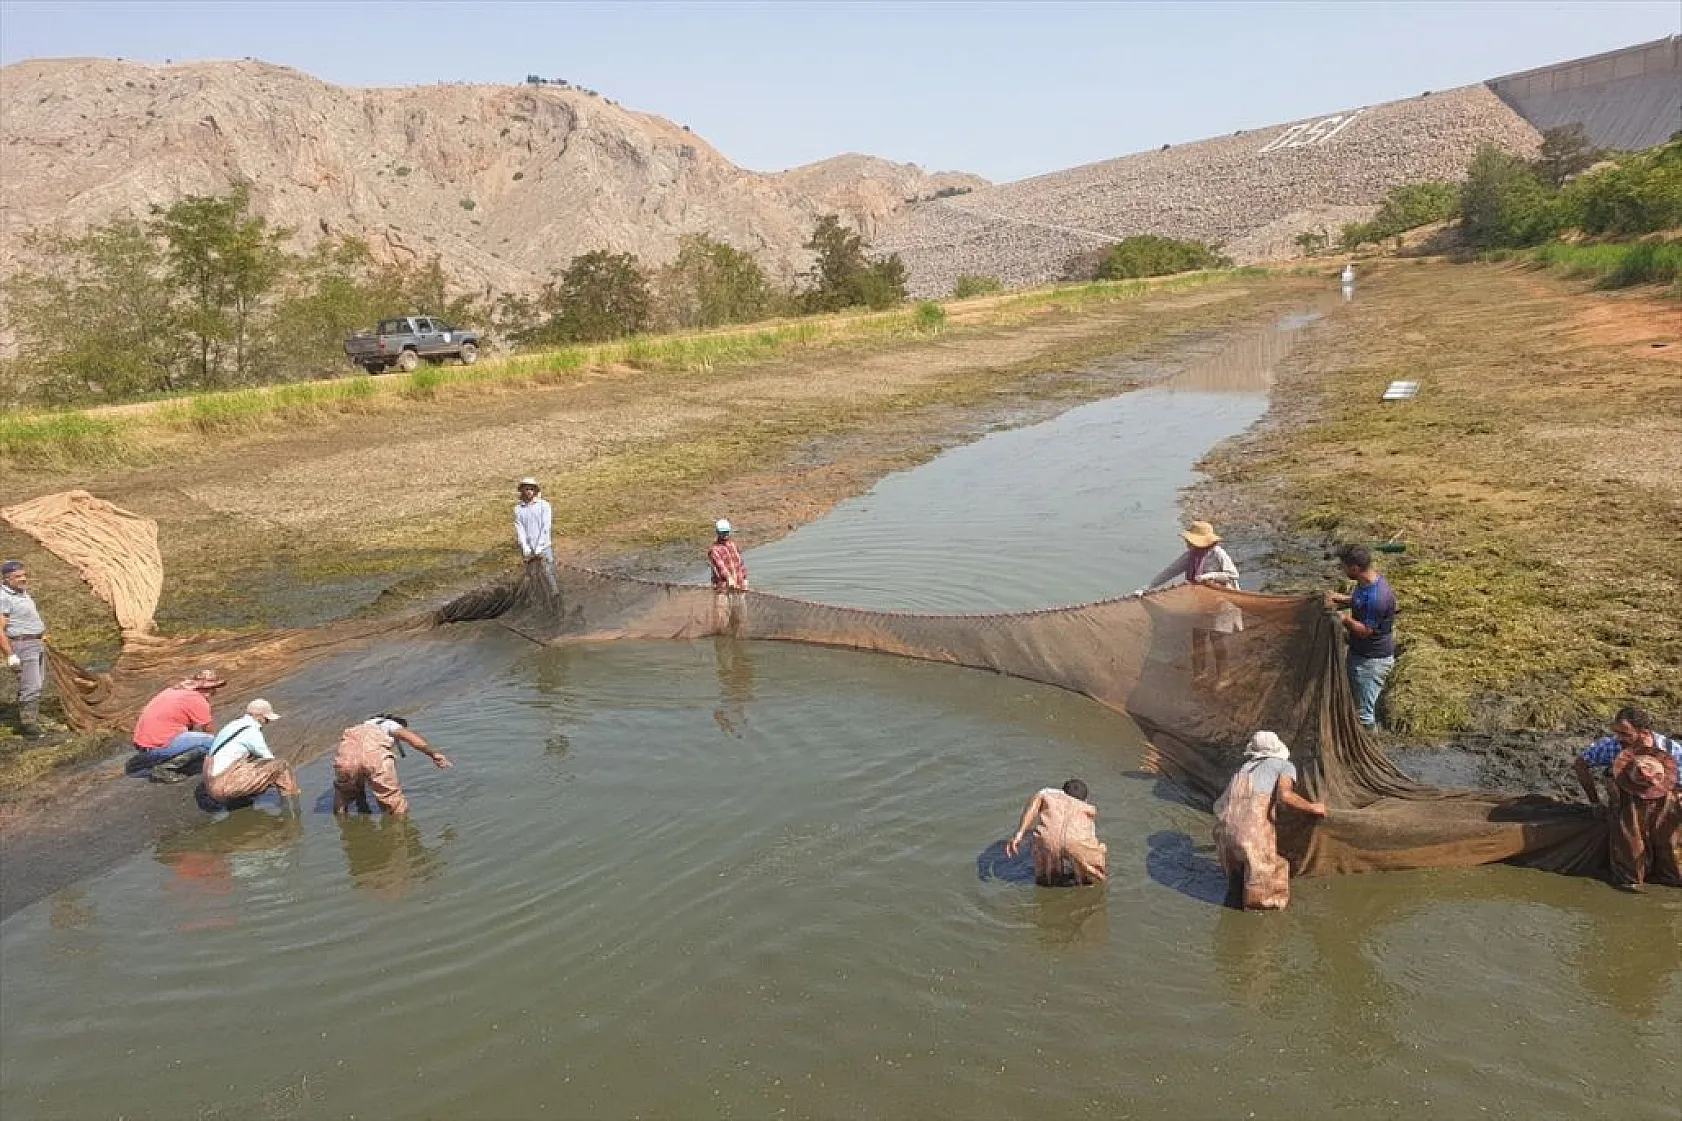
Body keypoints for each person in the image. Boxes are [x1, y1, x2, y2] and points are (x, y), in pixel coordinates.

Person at [1213, 731, 1328, 910]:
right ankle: (1259, 928)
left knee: (1236, 887)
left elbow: (1219, 806)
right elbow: (1285, 795)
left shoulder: (1243, 768)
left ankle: (1230, 921)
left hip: (1224, 835)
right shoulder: (1283, 765)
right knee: (1267, 885)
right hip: (1251, 834)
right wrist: (1313, 807)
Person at [1571, 706, 1682, 892]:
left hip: (1664, 804)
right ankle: (1630, 880)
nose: (1620, 738)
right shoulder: (1612, 746)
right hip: (1627, 804)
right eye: (1617, 732)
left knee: (1670, 847)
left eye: (1625, 734)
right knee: (1630, 841)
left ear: (1644, 733)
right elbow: (1581, 764)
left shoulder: (1671, 750)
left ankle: (1670, 876)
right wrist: (1595, 802)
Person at [1137, 520, 1243, 688]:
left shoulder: (1217, 554)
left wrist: (1210, 576)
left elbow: (1233, 574)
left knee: (1217, 638)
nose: (1187, 543)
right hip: (1200, 603)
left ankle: (1224, 675)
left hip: (1223, 603)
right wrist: (1147, 587)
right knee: (1198, 636)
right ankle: (1200, 673)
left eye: (1190, 540)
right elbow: (1170, 571)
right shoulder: (1190, 556)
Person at [1325, 543, 1398, 730]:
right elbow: (1359, 600)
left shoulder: (1377, 598)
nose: (1342, 570)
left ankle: (1369, 746)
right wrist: (1339, 599)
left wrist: (1342, 618)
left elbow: (1365, 631)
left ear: (1355, 568)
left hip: (1371, 662)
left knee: (1364, 714)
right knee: (1356, 700)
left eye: (1344, 567)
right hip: (1360, 654)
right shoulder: (1366, 583)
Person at [333, 713, 450, 818]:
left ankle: (342, 824)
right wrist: (433, 754)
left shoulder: (359, 728)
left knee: (343, 794)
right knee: (394, 802)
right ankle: (399, 833)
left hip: (346, 757)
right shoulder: (390, 724)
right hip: (375, 758)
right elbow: (414, 741)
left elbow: (358, 759)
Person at [1005, 778, 1109, 886]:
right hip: (1077, 839)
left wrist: (1019, 834)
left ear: (1062, 793)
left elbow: (1034, 806)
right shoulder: (1087, 808)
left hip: (1047, 839)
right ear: (1085, 800)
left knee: (1046, 881)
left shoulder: (1046, 794)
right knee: (1096, 878)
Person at [202, 699, 299, 807]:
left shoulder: (234, 725)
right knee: (281, 766)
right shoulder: (251, 731)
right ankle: (292, 807)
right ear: (259, 716)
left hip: (210, 783)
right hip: (222, 786)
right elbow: (269, 758)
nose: (268, 722)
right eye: (266, 719)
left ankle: (241, 799)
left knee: (252, 760)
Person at [131, 669, 227, 777]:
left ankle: (166, 757)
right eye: (212, 688)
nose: (213, 691)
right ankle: (167, 766)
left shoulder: (173, 690)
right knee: (210, 742)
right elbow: (208, 730)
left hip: (143, 744)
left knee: (194, 738)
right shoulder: (197, 699)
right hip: (156, 746)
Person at [1, 559, 50, 738]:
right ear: (6, 579)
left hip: (35, 642)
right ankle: (29, 727)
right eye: (17, 576)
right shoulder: (4, 597)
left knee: (37, 682)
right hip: (22, 645)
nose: (23, 579)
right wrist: (10, 655)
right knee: (31, 684)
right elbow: (0, 628)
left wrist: (39, 634)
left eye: (24, 575)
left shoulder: (22, 593)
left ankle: (33, 718)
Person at [514, 477, 559, 597]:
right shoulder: (518, 509)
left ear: (535, 490)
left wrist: (539, 547)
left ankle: (555, 596)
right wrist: (526, 548)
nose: (528, 491)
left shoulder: (544, 505)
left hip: (544, 548)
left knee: (548, 573)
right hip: (528, 551)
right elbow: (520, 530)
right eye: (526, 489)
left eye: (531, 489)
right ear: (522, 490)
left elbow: (545, 527)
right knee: (532, 575)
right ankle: (538, 597)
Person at [708, 518, 748, 592]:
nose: (725, 535)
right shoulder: (714, 550)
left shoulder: (733, 545)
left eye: (726, 532)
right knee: (722, 603)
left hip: (739, 582)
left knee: (741, 602)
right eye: (722, 532)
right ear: (717, 532)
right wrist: (728, 578)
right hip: (722, 585)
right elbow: (720, 567)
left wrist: (745, 578)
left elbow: (740, 562)